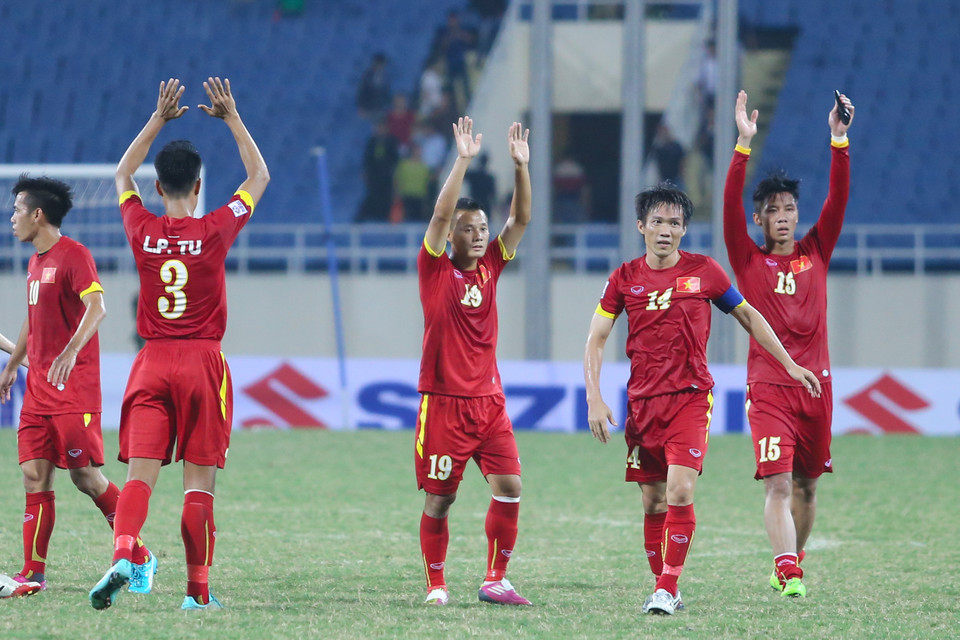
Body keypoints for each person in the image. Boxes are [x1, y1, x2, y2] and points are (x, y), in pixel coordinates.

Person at [583, 183, 821, 615]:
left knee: (680, 489)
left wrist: (788, 363)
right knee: (653, 501)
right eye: (657, 222)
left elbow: (749, 315)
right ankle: (663, 582)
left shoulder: (705, 272)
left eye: (674, 223)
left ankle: (668, 587)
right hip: (642, 405)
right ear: (641, 226)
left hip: (691, 398)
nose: (665, 231)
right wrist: (593, 398)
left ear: (684, 229)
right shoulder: (624, 278)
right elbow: (596, 338)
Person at [88, 77, 269, 611]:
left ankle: (125, 551)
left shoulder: (140, 226)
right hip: (201, 363)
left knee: (138, 477)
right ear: (197, 186)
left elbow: (122, 172)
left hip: (151, 362)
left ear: (160, 188)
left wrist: (158, 119)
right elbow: (259, 174)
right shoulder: (216, 228)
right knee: (198, 484)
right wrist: (232, 116)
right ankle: (197, 595)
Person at [723, 90, 853, 598]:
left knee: (808, 485)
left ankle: (793, 556)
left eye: (790, 208)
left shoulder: (816, 250)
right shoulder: (747, 259)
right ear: (759, 220)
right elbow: (730, 201)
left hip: (816, 388)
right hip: (770, 388)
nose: (783, 215)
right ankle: (787, 569)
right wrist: (742, 145)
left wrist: (838, 139)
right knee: (777, 484)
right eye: (773, 209)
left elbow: (837, 199)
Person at [0, 175, 151, 599]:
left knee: (85, 477)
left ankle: (138, 554)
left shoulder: (74, 255)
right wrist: (12, 366)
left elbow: (97, 307)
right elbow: (34, 319)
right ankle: (33, 573)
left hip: (73, 389)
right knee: (33, 476)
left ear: (37, 214)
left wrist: (69, 352)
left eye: (16, 211)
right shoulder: (34, 262)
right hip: (39, 391)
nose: (11, 219)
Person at [416, 117, 531, 607]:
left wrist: (521, 168)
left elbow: (520, 220)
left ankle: (495, 579)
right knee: (441, 499)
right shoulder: (434, 269)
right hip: (444, 404)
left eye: (483, 227)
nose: (480, 235)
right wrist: (461, 160)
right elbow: (439, 220)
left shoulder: (491, 267)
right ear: (453, 238)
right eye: (470, 229)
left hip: (489, 402)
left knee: (510, 486)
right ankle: (436, 584)